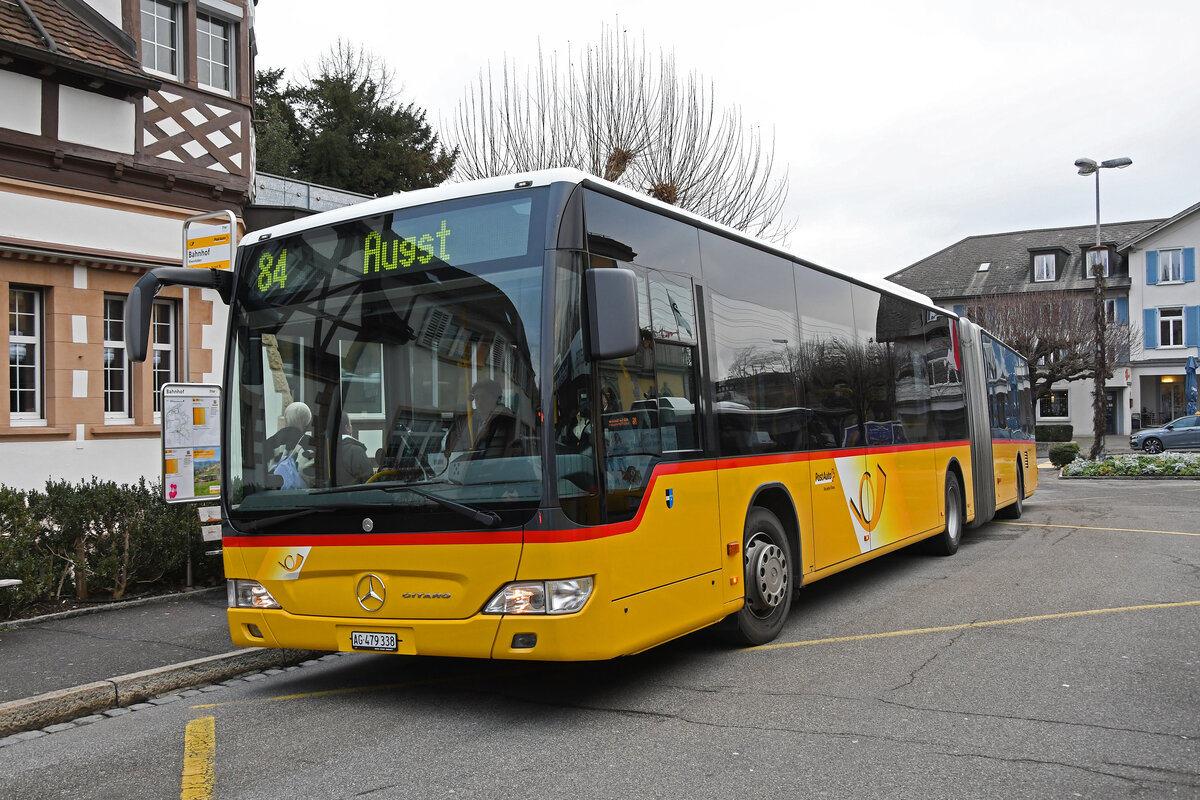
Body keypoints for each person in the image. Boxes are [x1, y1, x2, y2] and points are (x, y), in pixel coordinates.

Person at [443, 379, 518, 459]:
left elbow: (497, 453)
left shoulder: (505, 420)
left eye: (484, 397)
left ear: (495, 398)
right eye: (476, 398)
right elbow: (453, 447)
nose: (479, 402)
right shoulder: (471, 420)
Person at [266, 401, 315, 488]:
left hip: (271, 495)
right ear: (307, 423)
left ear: (286, 420)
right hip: (299, 496)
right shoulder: (309, 444)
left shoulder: (269, 443)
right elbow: (311, 476)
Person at [336, 419, 375, 484]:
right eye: (350, 424)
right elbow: (369, 481)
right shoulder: (357, 451)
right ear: (347, 428)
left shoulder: (325, 450)